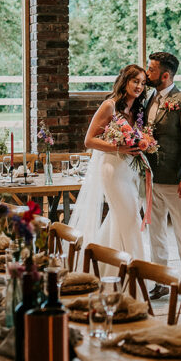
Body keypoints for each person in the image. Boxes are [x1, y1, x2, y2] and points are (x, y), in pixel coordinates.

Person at [69, 64, 147, 259]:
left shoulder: (137, 109)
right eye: (135, 81)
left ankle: (104, 264)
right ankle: (134, 269)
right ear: (125, 81)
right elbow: (89, 140)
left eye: (143, 83)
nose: (139, 86)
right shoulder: (109, 105)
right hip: (113, 169)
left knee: (118, 219)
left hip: (130, 169)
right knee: (130, 219)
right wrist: (118, 148)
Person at [145, 51, 181, 293]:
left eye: (152, 70)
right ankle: (160, 282)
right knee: (155, 232)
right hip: (151, 178)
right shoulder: (150, 98)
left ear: (165, 75)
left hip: (176, 181)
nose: (147, 73)